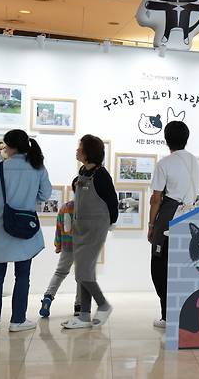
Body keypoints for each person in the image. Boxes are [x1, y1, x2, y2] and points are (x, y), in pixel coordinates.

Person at [0, 130, 52, 333]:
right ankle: (18, 320)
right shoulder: (38, 167)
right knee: (23, 276)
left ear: (11, 146)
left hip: (1, 227)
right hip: (25, 227)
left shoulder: (0, 168)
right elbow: (45, 194)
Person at [61, 135, 118, 329]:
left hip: (95, 228)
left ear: (87, 152)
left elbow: (112, 200)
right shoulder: (82, 171)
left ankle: (103, 304)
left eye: (80, 147)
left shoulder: (102, 174)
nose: (77, 150)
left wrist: (113, 221)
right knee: (82, 272)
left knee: (83, 271)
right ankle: (84, 315)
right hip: (80, 227)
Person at [147, 121, 198, 328]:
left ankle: (168, 316)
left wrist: (151, 225)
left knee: (159, 267)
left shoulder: (165, 163)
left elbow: (156, 199)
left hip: (169, 216)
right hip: (191, 216)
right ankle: (180, 314)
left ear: (166, 139)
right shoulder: (194, 161)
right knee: (182, 267)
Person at [39, 177, 81, 318]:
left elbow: (59, 228)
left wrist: (58, 245)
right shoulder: (89, 208)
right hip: (83, 248)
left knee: (60, 273)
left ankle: (48, 297)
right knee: (82, 277)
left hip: (68, 246)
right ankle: (79, 306)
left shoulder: (64, 207)